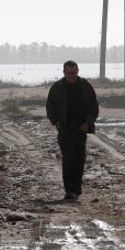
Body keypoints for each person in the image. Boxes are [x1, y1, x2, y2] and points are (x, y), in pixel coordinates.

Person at [46, 60, 99, 202]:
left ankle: (76, 189)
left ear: (78, 71)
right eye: (69, 73)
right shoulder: (57, 88)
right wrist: (56, 122)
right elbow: (50, 108)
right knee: (68, 161)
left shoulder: (85, 86)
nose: (72, 75)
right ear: (64, 72)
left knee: (79, 160)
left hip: (80, 130)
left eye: (74, 73)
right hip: (64, 130)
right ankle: (69, 191)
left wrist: (87, 123)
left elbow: (94, 107)